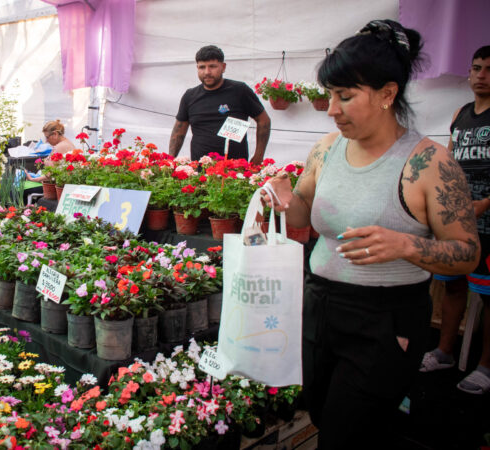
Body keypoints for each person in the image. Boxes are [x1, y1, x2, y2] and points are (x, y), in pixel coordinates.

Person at [264, 20, 480, 448]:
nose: (332, 109)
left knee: (347, 433)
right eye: (330, 95)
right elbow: (305, 212)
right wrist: (285, 201)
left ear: (387, 94)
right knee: (326, 413)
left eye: (345, 97)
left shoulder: (429, 163)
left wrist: (407, 245)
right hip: (322, 307)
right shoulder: (326, 148)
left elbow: (468, 252)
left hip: (385, 321)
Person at [419, 45, 490, 394]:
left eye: (489, 69)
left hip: (487, 223)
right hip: (457, 221)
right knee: (453, 284)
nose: (481, 76)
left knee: (489, 295)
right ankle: (444, 351)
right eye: (476, 68)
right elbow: (447, 165)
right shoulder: (460, 114)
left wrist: (484, 204)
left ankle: (486, 367)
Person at [169, 45, 271, 164]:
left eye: (212, 66)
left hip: (235, 170)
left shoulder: (239, 91)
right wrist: (170, 159)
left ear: (223, 67)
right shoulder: (190, 96)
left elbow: (264, 120)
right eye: (202, 67)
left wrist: (259, 156)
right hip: (200, 171)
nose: (207, 72)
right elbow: (179, 129)